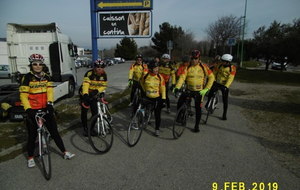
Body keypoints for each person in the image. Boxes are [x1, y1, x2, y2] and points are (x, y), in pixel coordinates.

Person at [20, 54, 75, 168]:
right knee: (32, 135)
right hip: (33, 110)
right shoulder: (27, 78)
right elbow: (24, 96)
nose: (38, 66)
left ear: (43, 65)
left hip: (45, 108)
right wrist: (28, 109)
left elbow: (50, 92)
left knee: (54, 132)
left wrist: (50, 104)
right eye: (35, 64)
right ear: (31, 65)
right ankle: (30, 157)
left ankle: (64, 152)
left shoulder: (46, 77)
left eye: (40, 64)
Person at [173, 50, 215, 132]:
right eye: (192, 58)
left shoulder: (204, 67)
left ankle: (196, 125)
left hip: (199, 91)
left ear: (199, 59)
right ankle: (180, 117)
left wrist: (206, 89)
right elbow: (182, 78)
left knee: (198, 108)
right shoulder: (187, 67)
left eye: (196, 58)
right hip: (189, 89)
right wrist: (177, 87)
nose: (193, 60)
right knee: (180, 101)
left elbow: (212, 77)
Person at [80, 59, 108, 136]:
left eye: (101, 67)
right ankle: (85, 128)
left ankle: (91, 129)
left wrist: (97, 91)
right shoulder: (89, 74)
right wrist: (85, 94)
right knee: (84, 112)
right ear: (94, 67)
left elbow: (104, 86)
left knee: (95, 113)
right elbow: (85, 85)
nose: (99, 68)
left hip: (94, 93)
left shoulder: (104, 75)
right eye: (97, 67)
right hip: (85, 93)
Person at [206, 54, 236, 120]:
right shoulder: (219, 65)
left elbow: (230, 78)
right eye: (222, 61)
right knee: (211, 92)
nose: (222, 62)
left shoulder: (232, 68)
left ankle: (224, 114)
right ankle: (208, 102)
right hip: (217, 82)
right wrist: (213, 80)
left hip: (224, 85)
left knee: (225, 100)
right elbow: (214, 73)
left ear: (228, 62)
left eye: (224, 61)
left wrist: (226, 86)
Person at [140, 60, 166, 136]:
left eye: (157, 68)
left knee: (157, 114)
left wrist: (163, 99)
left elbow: (163, 88)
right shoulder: (145, 76)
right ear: (150, 69)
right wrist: (144, 91)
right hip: (148, 97)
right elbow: (141, 82)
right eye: (155, 68)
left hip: (157, 98)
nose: (157, 70)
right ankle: (145, 120)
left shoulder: (160, 77)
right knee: (146, 111)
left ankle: (157, 129)